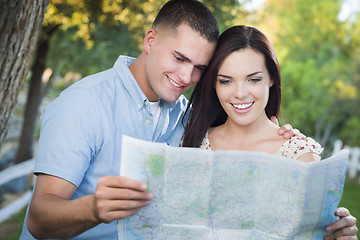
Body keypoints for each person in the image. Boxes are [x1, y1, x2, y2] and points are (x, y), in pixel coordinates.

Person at [19, 0, 352, 239]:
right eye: (179, 58)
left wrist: (287, 141)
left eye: (199, 68)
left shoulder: (185, 120)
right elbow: (39, 219)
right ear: (150, 40)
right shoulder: (84, 103)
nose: (185, 76)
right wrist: (94, 207)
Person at [182, 25, 358, 239]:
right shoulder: (192, 142)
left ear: (271, 78)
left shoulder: (300, 156)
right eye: (225, 81)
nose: (240, 93)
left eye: (254, 79)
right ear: (214, 84)